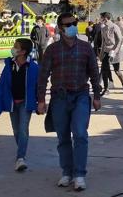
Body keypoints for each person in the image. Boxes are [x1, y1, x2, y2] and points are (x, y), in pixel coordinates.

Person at [37, 13, 102, 192]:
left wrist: (97, 96)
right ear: (60, 28)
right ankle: (67, 172)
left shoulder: (85, 47)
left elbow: (94, 72)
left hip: (81, 95)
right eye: (68, 24)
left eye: (74, 23)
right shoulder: (52, 50)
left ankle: (79, 174)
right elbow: (43, 76)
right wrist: (41, 100)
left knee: (80, 134)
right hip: (59, 97)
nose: (72, 26)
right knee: (63, 136)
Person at [0, 38, 39, 171]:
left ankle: (20, 157)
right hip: (12, 103)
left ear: (23, 51)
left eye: (16, 46)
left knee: (23, 129)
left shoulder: (33, 67)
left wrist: (40, 102)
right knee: (16, 130)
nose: (13, 48)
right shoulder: (9, 65)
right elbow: (1, 85)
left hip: (26, 103)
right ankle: (21, 152)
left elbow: (39, 86)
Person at [99, 12, 123, 94]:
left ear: (105, 18)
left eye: (101, 18)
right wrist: (101, 54)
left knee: (117, 71)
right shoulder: (103, 28)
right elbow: (103, 42)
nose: (100, 19)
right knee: (104, 70)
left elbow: (120, 40)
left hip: (115, 51)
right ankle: (106, 88)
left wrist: (114, 52)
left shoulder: (115, 27)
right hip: (106, 51)